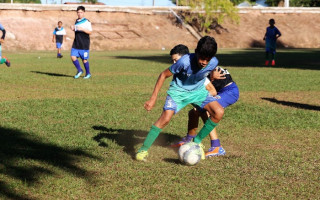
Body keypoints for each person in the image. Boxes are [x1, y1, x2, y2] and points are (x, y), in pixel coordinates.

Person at [136, 36, 224, 162]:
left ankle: (196, 142)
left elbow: (205, 72)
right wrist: (153, 98)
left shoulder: (214, 62)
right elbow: (163, 75)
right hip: (178, 92)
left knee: (218, 112)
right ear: (196, 51)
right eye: (202, 58)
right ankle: (143, 150)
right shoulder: (184, 61)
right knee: (165, 119)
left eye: (207, 59)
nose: (204, 62)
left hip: (198, 92)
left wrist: (213, 76)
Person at [170, 45, 239, 158]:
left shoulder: (195, 69)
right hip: (219, 90)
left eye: (176, 60)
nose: (174, 63)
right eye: (172, 60)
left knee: (205, 110)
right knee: (193, 113)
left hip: (229, 91)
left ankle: (216, 147)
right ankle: (189, 140)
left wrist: (210, 78)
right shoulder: (189, 69)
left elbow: (212, 92)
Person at [70, 6, 92, 79]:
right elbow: (77, 30)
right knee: (73, 57)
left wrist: (82, 29)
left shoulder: (87, 22)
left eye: (81, 12)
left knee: (84, 60)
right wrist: (73, 28)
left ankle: (88, 73)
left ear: (84, 13)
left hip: (84, 44)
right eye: (78, 12)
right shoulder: (76, 21)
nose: (79, 14)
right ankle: (80, 70)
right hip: (76, 43)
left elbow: (90, 32)